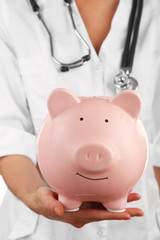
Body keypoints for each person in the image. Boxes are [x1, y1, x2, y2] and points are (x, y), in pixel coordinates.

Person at [0, 0, 160, 239]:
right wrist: (35, 195)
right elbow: (8, 131)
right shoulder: (11, 9)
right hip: (41, 230)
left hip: (140, 228)